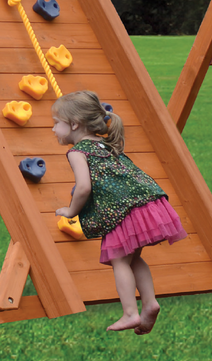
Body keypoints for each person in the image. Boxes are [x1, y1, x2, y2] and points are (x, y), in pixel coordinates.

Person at [50, 90, 186, 334]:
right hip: (146, 202)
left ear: (74, 124)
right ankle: (150, 303)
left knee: (119, 261)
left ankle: (130, 313)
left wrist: (71, 211)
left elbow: (83, 188)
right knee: (133, 258)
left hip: (123, 211)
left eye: (56, 123)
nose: (53, 129)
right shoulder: (104, 144)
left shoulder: (78, 152)